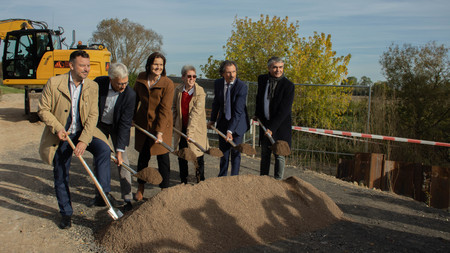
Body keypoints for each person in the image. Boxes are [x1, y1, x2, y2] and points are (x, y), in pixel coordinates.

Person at [38, 50, 117, 229]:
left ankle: (103, 193)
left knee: (103, 149)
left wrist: (84, 140)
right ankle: (66, 213)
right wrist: (58, 128)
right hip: (62, 135)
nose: (86, 69)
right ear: (71, 65)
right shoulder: (54, 83)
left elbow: (93, 115)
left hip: (84, 132)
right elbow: (43, 109)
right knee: (60, 172)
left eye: (88, 66)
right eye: (82, 66)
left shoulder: (92, 86)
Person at [93, 63, 136, 211]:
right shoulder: (98, 84)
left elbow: (125, 124)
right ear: (111, 79)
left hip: (117, 126)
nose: (123, 86)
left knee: (123, 160)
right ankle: (101, 195)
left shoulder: (130, 95)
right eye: (120, 83)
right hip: (99, 125)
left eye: (126, 83)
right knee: (100, 156)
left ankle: (127, 198)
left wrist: (119, 150)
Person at [133, 52, 174, 200]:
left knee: (163, 160)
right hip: (144, 125)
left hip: (161, 125)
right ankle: (140, 188)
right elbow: (134, 99)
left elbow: (165, 109)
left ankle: (164, 191)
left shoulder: (167, 84)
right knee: (143, 158)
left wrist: (160, 132)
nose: (158, 67)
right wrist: (132, 118)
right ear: (149, 64)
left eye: (161, 65)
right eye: (155, 64)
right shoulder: (141, 78)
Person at [254, 56, 295, 180]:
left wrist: (271, 128)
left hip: (280, 126)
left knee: (279, 155)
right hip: (265, 124)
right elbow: (259, 98)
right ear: (269, 68)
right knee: (265, 154)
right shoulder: (262, 80)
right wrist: (257, 114)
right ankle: (263, 180)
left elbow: (284, 110)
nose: (278, 70)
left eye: (281, 67)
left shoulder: (288, 86)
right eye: (275, 67)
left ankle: (278, 183)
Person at [208, 60, 250, 176]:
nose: (231, 75)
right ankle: (222, 178)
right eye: (228, 72)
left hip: (237, 125)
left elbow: (238, 111)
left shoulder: (242, 87)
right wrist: (212, 119)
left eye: (234, 72)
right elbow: (216, 102)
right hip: (223, 122)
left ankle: (234, 179)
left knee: (236, 153)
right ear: (222, 73)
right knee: (224, 154)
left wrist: (230, 130)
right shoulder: (218, 83)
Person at [172, 65, 208, 184]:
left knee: (197, 156)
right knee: (182, 155)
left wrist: (190, 132)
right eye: (189, 76)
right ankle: (184, 181)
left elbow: (196, 114)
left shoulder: (200, 92)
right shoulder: (178, 90)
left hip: (195, 131)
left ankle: (200, 181)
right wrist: (172, 124)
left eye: (194, 76)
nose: (192, 78)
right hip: (181, 129)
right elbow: (174, 109)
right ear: (183, 77)